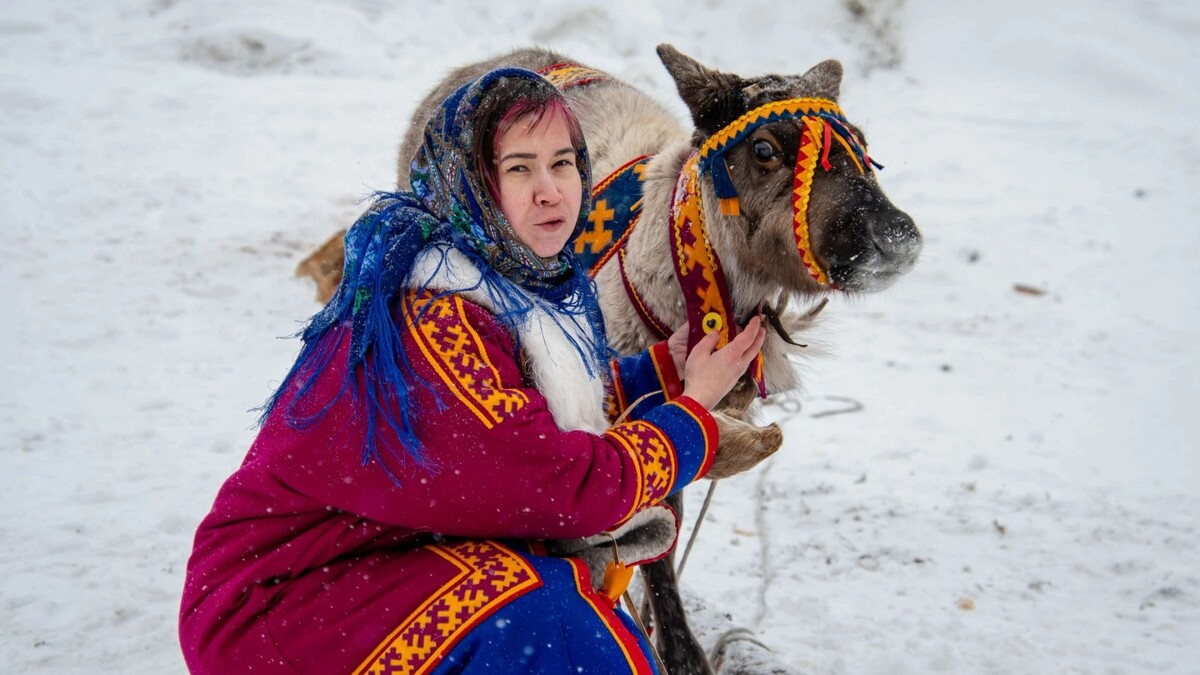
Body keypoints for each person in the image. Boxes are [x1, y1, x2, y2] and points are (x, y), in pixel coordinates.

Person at [179, 68, 766, 674]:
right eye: (519, 168)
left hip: (373, 557)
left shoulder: (498, 280)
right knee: (550, 623)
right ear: (472, 182)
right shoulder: (435, 320)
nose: (551, 191)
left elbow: (522, 423)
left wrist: (659, 375)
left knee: (550, 602)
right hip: (277, 606)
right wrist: (689, 419)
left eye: (563, 163)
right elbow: (567, 490)